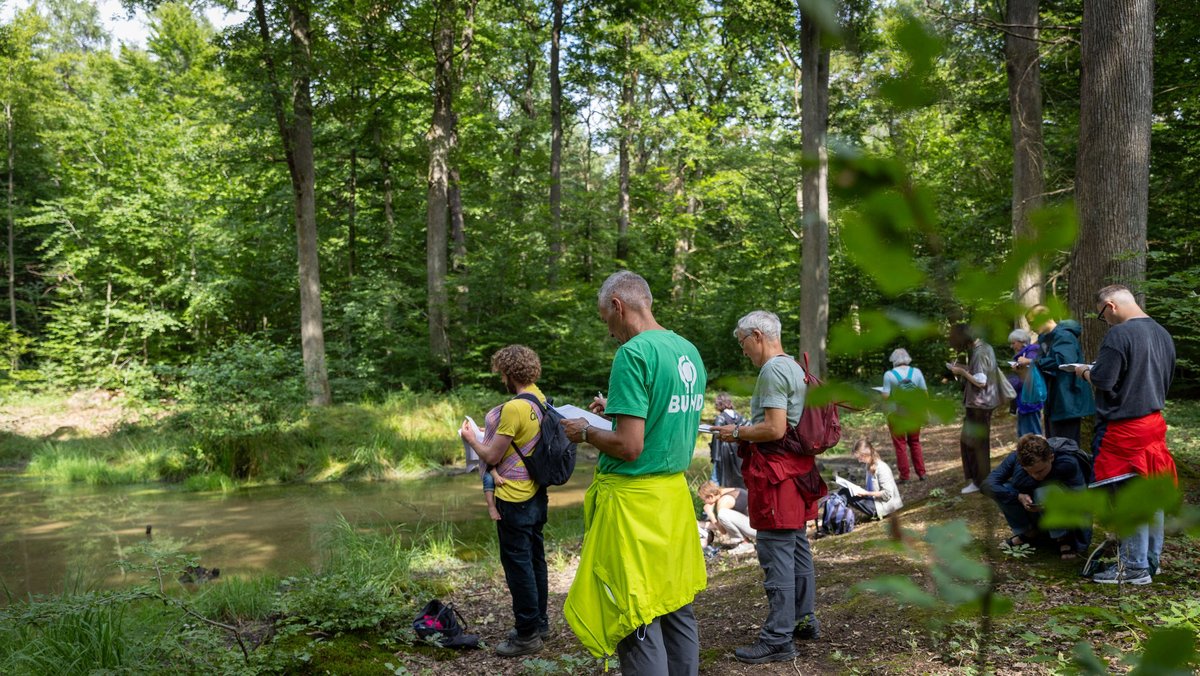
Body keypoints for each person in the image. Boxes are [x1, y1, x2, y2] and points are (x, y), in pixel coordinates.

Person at [560, 271, 708, 675]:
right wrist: (615, 411)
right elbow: (663, 419)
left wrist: (585, 430)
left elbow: (629, 446)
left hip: (634, 508)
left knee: (635, 613)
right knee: (676, 604)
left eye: (604, 318)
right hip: (672, 500)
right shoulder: (686, 350)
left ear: (618, 306)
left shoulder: (633, 354)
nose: (608, 330)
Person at [713, 310, 824, 665]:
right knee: (795, 548)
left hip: (776, 477)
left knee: (777, 552)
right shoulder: (793, 366)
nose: (744, 351)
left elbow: (775, 428)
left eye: (744, 343)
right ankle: (804, 620)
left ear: (758, 335)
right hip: (795, 474)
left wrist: (737, 432)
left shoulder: (773, 370)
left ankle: (778, 638)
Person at [1077, 285, 1176, 585]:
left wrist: (1083, 371)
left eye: (1101, 314)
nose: (1103, 320)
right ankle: (1149, 561)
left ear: (1110, 306)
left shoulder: (1120, 334)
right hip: (1153, 423)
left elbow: (1104, 379)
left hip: (1124, 428)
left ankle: (1134, 568)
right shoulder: (1162, 333)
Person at [459, 345, 550, 656]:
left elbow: (492, 455)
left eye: (502, 374)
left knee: (518, 566)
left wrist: (473, 439)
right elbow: (521, 441)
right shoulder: (540, 399)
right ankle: (539, 623)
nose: (501, 380)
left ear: (511, 373)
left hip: (513, 497)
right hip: (537, 493)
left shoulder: (513, 408)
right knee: (536, 559)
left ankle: (526, 635)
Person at [984, 434, 1091, 559]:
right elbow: (988, 484)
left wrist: (1082, 542)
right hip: (1032, 509)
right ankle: (1029, 533)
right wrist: (1018, 496)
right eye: (1028, 472)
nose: (1035, 476)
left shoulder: (1067, 462)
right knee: (1004, 489)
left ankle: (1063, 537)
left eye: (1040, 471)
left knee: (1045, 490)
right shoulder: (1015, 458)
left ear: (1051, 457)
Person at [1021, 305, 1095, 444]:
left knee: (1065, 444)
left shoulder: (1064, 335)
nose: (1031, 327)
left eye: (1032, 322)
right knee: (1054, 442)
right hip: (1055, 399)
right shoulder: (1046, 338)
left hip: (1068, 400)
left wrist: (1032, 362)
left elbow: (1065, 361)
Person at [947, 324, 1004, 495]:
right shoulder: (985, 347)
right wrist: (963, 369)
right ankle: (979, 481)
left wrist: (961, 372)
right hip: (981, 404)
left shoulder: (979, 352)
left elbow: (980, 381)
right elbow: (982, 374)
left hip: (979, 405)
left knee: (975, 444)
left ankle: (980, 482)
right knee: (972, 442)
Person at [879, 348, 927, 482]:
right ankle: (922, 473)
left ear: (893, 360)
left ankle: (904, 476)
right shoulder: (916, 372)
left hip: (896, 413)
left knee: (900, 445)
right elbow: (924, 393)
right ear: (908, 358)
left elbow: (886, 396)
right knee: (915, 442)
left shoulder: (889, 375)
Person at [837, 439, 903, 520]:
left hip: (884, 507)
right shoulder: (868, 466)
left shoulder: (882, 468)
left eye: (860, 457)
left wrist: (866, 493)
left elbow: (887, 494)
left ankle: (838, 520)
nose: (859, 460)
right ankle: (838, 518)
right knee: (844, 491)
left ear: (866, 454)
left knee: (844, 493)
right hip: (874, 502)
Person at [698, 481, 756, 556]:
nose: (704, 503)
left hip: (757, 530)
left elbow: (723, 531)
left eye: (704, 500)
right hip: (758, 527)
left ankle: (745, 544)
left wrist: (710, 513)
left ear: (711, 496)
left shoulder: (723, 501)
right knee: (723, 515)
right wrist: (700, 524)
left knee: (722, 515)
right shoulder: (729, 491)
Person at [1008, 328, 1044, 436]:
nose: (1012, 346)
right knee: (1024, 434)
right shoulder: (1024, 354)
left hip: (1030, 401)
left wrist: (1017, 372)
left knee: (1032, 434)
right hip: (1023, 400)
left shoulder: (1032, 352)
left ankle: (1037, 452)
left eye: (1013, 343)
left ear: (1021, 341)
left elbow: (1031, 376)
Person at [709, 392, 746, 488]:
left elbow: (716, 439)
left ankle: (712, 497)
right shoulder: (740, 417)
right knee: (736, 477)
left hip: (723, 451)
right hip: (738, 451)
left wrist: (714, 457)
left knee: (716, 478)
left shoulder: (720, 418)